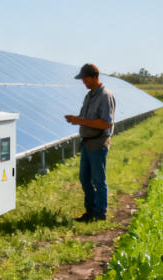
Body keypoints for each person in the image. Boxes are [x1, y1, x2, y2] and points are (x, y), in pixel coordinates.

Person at [64, 63, 115, 222]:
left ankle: (100, 213)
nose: (84, 83)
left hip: (98, 143)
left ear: (94, 77)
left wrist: (80, 120)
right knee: (84, 178)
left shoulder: (105, 95)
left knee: (98, 180)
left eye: (86, 79)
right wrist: (77, 120)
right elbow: (85, 120)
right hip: (87, 143)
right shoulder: (89, 96)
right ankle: (90, 211)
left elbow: (105, 123)